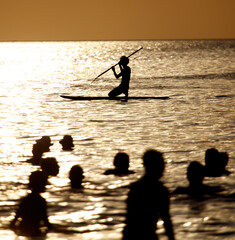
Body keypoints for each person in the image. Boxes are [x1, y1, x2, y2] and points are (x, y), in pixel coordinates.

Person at [122, 149, 175, 240]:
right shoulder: (160, 190)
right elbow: (166, 220)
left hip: (131, 235)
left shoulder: (135, 188)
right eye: (161, 164)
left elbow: (129, 220)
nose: (163, 168)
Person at [10, 171, 51, 236]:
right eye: (44, 182)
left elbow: (14, 222)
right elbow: (46, 222)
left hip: (23, 229)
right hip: (35, 231)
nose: (46, 184)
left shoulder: (25, 199)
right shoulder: (40, 201)